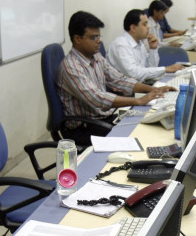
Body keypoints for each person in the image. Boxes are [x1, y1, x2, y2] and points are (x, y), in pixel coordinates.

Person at [58, 11, 174, 146]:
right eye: (93, 37)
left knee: (147, 123)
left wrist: (153, 89)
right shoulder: (71, 66)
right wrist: (138, 100)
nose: (99, 41)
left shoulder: (95, 56)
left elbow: (119, 79)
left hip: (103, 118)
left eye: (99, 36)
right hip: (85, 128)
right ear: (77, 39)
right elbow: (96, 98)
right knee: (138, 138)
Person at [108, 9, 185, 82]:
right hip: (124, 93)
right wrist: (165, 69)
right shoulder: (120, 45)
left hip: (139, 86)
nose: (149, 27)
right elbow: (134, 74)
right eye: (145, 24)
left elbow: (150, 68)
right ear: (133, 28)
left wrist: (153, 49)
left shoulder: (139, 42)